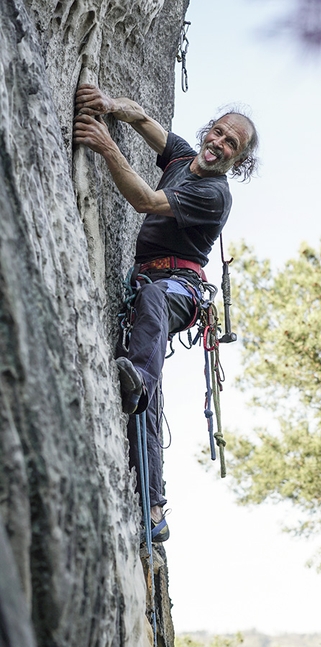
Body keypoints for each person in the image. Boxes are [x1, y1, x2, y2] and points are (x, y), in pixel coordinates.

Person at [73, 85, 258, 541]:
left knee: (153, 310)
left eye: (231, 143)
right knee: (147, 405)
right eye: (217, 133)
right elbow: (142, 119)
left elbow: (146, 202)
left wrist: (106, 145)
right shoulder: (180, 158)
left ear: (239, 158)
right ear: (208, 131)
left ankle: (136, 377)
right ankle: (154, 505)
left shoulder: (214, 194)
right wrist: (112, 105)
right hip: (148, 282)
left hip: (181, 287)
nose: (218, 144)